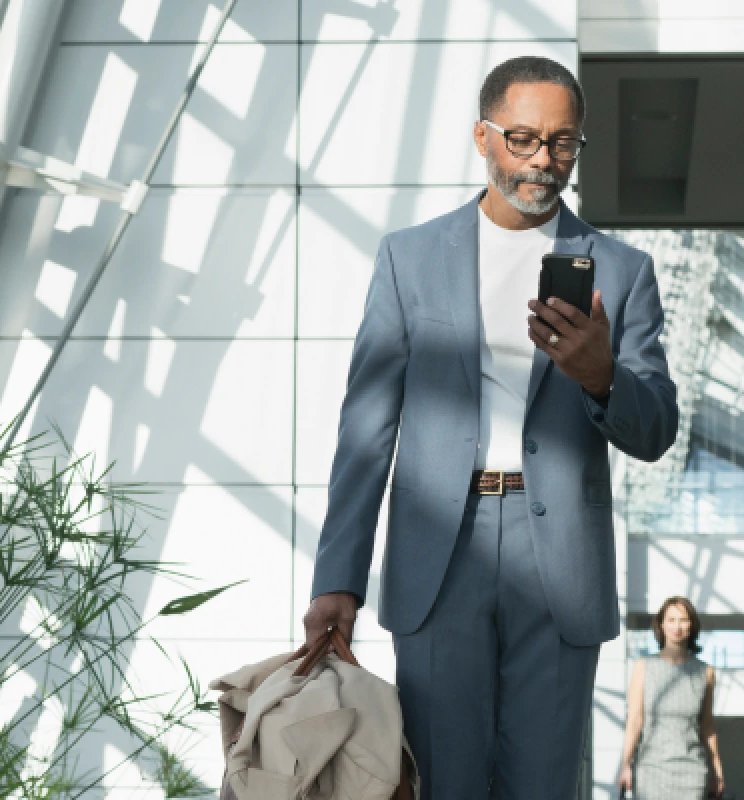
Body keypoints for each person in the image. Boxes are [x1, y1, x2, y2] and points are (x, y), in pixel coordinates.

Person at [302, 55, 679, 798]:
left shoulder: (623, 270)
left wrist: (601, 374)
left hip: (560, 561)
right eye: (523, 138)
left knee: (544, 785)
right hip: (440, 552)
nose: (543, 160)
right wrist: (337, 579)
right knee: (441, 779)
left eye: (563, 142)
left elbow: (657, 428)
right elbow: (367, 429)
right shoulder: (410, 259)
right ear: (483, 137)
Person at [619, 597, 726, 799]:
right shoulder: (643, 666)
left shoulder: (705, 672)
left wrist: (717, 770)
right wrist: (625, 764)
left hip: (692, 772)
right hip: (650, 770)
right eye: (671, 620)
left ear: (692, 625)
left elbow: (708, 727)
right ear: (661, 624)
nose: (677, 626)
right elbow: (635, 720)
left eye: (683, 620)